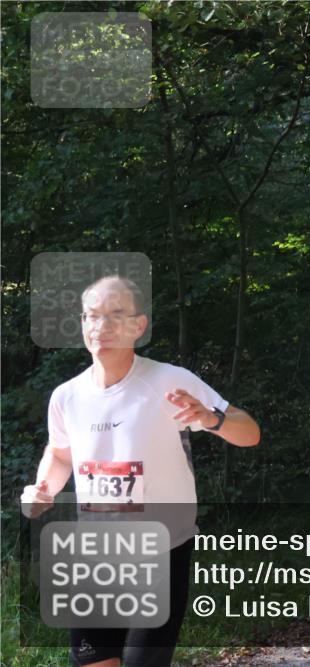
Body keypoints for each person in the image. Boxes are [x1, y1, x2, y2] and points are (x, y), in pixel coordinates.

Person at [20, 275, 261, 667]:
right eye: (93, 316)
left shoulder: (168, 381)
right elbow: (61, 454)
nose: (102, 327)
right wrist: (43, 487)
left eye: (116, 315)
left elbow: (249, 432)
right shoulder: (66, 396)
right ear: (82, 322)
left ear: (139, 325)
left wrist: (210, 418)